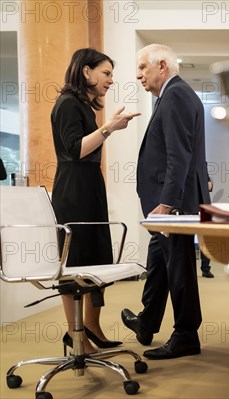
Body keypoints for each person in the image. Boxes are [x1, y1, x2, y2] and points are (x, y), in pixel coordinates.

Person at [121, 44, 211, 360]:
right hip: (171, 200)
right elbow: (187, 147)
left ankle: (186, 334)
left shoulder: (175, 95)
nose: (138, 75)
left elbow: (179, 153)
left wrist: (169, 202)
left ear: (162, 65)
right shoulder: (175, 95)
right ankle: (148, 321)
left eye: (142, 68)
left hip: (173, 202)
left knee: (179, 266)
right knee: (159, 258)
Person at [51, 48, 140, 354]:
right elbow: (75, 150)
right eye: (106, 73)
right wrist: (109, 128)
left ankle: (91, 326)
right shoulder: (66, 104)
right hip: (73, 190)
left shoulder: (84, 107)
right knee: (75, 262)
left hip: (89, 187)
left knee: (96, 257)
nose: (111, 80)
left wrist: (106, 128)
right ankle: (75, 334)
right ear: (85, 72)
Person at [201, 175, 214, 278]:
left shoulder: (202, 166)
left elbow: (209, 183)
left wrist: (210, 183)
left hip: (205, 206)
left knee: (206, 238)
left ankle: (206, 268)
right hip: (189, 206)